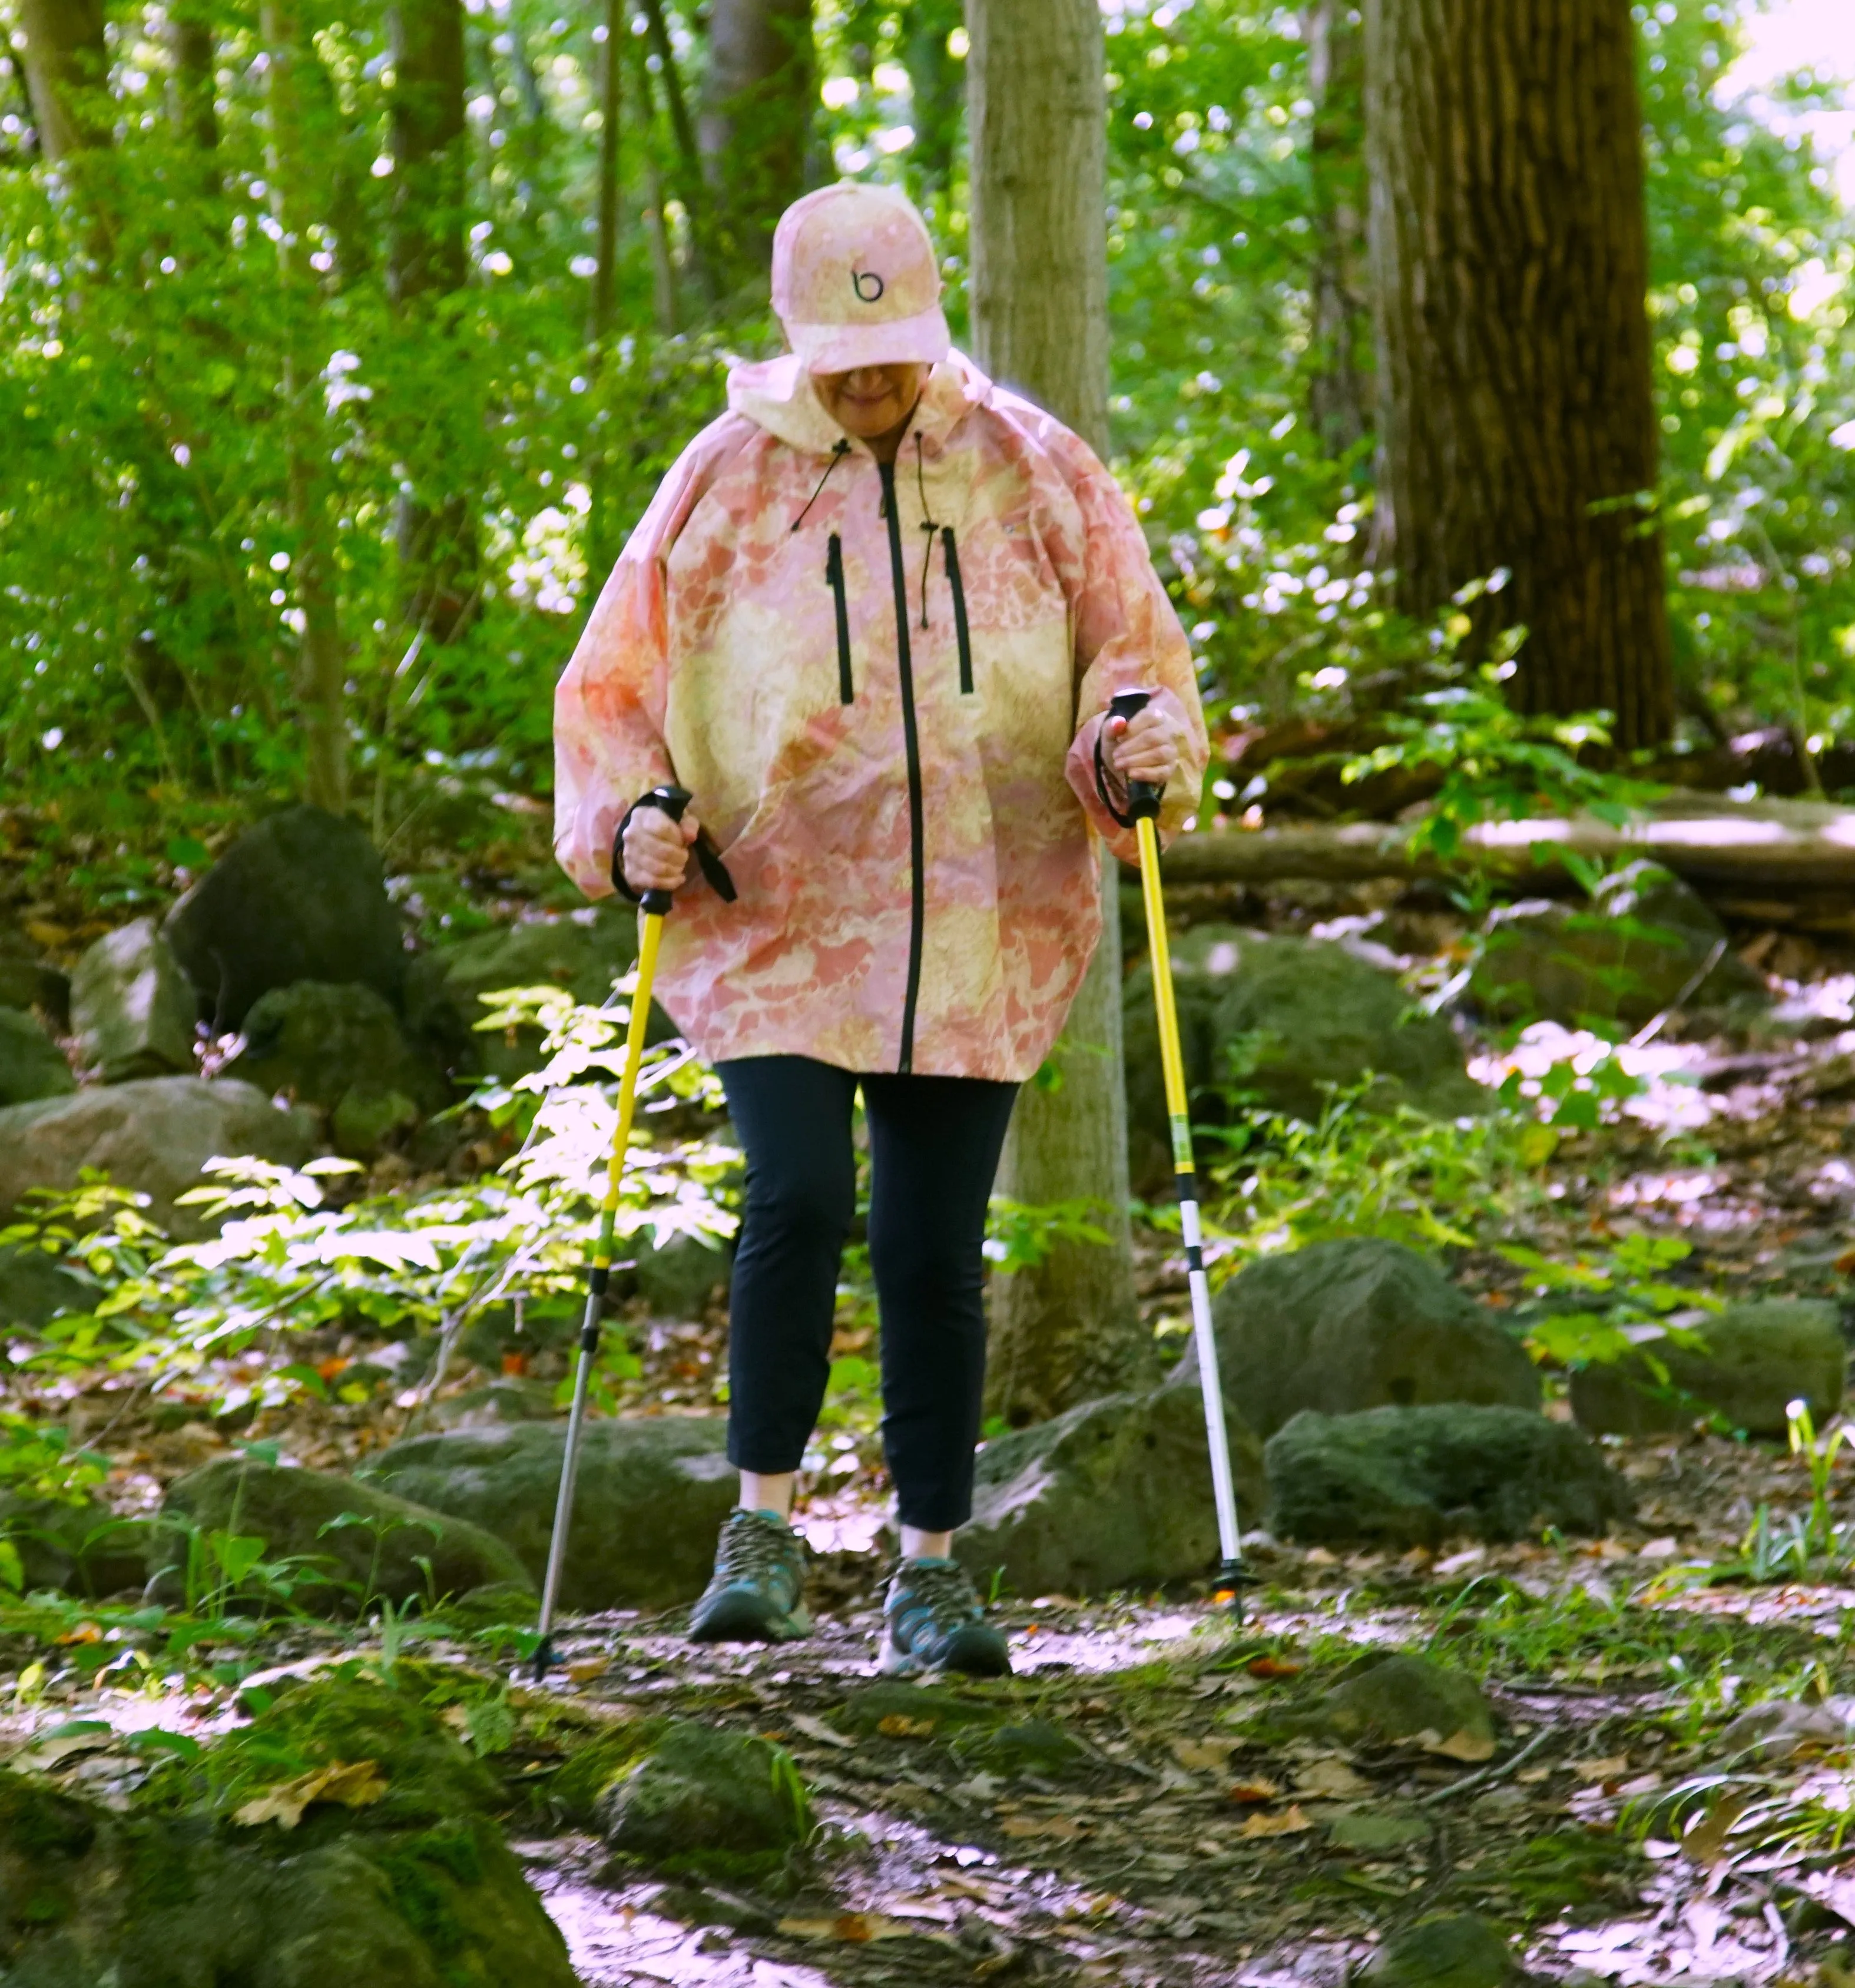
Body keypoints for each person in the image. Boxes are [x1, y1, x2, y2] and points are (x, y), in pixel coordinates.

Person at [554, 180, 1207, 1677]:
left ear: (931, 332)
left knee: (931, 1241)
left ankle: (931, 1567)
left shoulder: (1035, 467)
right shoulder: (724, 480)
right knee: (793, 1198)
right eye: (842, 359)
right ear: (794, 341)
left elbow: (1134, 655)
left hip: (983, 917)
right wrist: (629, 819)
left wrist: (1134, 745)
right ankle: (761, 1533)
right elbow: (611, 688)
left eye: (893, 352)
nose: (868, 381)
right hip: (774, 914)